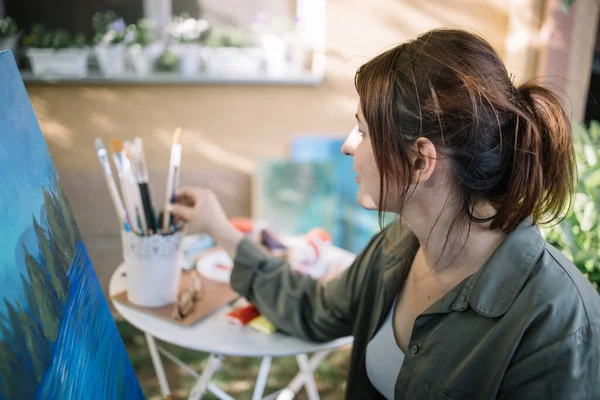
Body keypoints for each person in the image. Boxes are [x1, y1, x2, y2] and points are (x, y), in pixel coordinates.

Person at [171, 28, 600, 400]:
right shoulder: (397, 245)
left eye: (361, 130)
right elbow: (316, 309)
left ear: (420, 162)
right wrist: (220, 230)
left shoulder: (557, 322)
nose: (346, 145)